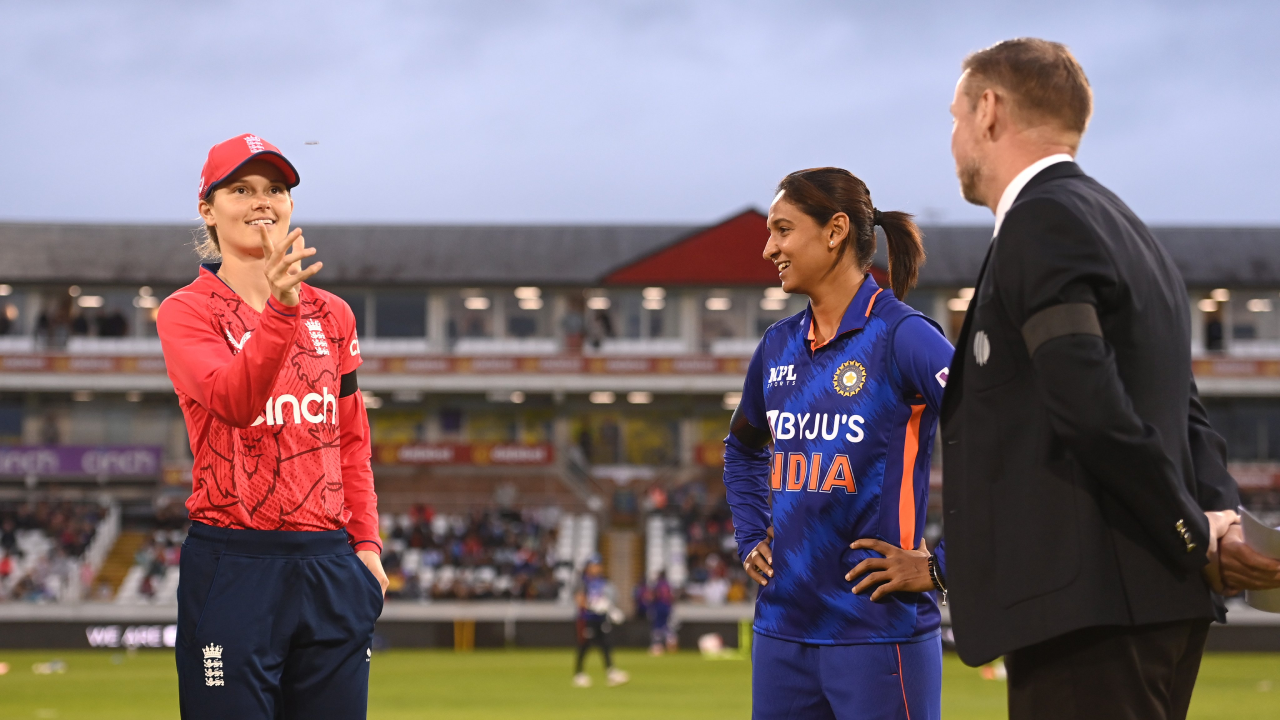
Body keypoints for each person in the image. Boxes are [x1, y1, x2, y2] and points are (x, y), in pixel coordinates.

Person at [937, 38, 1279, 720]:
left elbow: (1088, 402)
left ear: (989, 110)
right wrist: (1218, 525)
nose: (952, 139)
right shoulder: (1128, 227)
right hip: (1146, 606)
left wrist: (1190, 531)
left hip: (1089, 616)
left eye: (954, 117)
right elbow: (1185, 410)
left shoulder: (1041, 221)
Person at [157, 134, 385, 719]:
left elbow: (350, 439)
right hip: (237, 566)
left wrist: (365, 546)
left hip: (331, 565)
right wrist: (282, 309)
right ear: (207, 209)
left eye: (275, 189)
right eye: (242, 189)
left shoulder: (333, 314)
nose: (262, 201)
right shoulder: (187, 311)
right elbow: (233, 400)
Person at [723, 167, 953, 720]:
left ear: (835, 231)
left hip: (878, 635)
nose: (767, 248)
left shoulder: (905, 336)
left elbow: (1001, 439)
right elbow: (742, 449)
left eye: (782, 230)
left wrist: (945, 566)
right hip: (781, 635)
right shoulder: (776, 347)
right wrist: (753, 532)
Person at [572, 556, 629, 688]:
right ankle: (579, 673)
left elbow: (605, 598)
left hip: (600, 618)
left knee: (606, 644)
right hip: (586, 619)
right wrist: (594, 605)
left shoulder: (601, 582)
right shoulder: (582, 581)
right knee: (585, 645)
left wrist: (610, 609)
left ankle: (611, 672)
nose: (597, 568)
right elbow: (580, 600)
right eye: (595, 565)